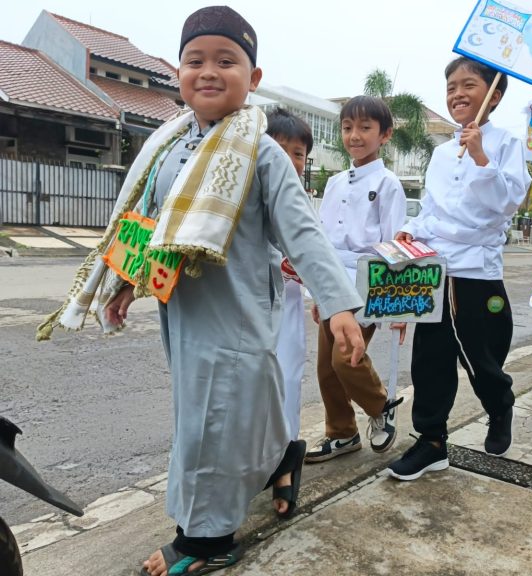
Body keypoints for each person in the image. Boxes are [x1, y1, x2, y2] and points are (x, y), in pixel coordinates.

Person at [36, 7, 366, 575]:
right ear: (179, 73)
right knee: (225, 411)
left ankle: (206, 539)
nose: (208, 71)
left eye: (226, 60)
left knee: (210, 422)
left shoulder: (262, 151)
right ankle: (283, 454)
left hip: (237, 311)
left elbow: (302, 232)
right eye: (195, 60)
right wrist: (126, 285)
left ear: (253, 78)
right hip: (184, 310)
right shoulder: (168, 146)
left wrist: (337, 304)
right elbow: (147, 226)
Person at [387, 56, 531, 481]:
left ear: (494, 96)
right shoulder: (441, 152)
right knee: (429, 358)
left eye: (469, 85)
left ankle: (499, 404)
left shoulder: (505, 144)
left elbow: (506, 204)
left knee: (480, 357)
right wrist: (409, 232)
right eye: (451, 87)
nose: (457, 94)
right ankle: (431, 442)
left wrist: (482, 157)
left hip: (475, 269)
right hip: (434, 268)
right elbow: (430, 209)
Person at [304, 95, 407, 463]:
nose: (355, 135)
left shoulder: (388, 183)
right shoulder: (333, 183)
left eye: (365, 128)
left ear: (385, 135)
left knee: (343, 359)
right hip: (332, 281)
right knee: (325, 368)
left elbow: (395, 244)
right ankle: (342, 433)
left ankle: (380, 406)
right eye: (348, 127)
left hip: (366, 281)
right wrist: (318, 291)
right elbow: (322, 239)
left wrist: (396, 305)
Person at [267, 107, 314, 441]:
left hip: (290, 304)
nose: (289, 160)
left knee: (286, 378)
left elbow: (315, 257)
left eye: (298, 153)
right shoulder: (242, 195)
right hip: (249, 307)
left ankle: (285, 457)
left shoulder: (304, 204)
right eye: (280, 149)